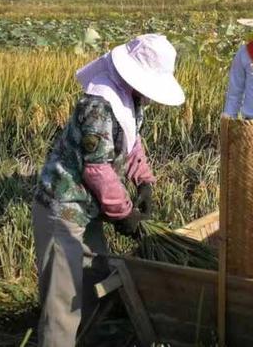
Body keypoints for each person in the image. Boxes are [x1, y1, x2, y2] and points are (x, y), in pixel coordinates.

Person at [32, 34, 185, 346]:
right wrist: (124, 213)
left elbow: (131, 141)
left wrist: (144, 180)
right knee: (63, 304)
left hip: (88, 210)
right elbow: (97, 169)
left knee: (89, 286)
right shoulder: (98, 104)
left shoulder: (126, 98)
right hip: (64, 209)